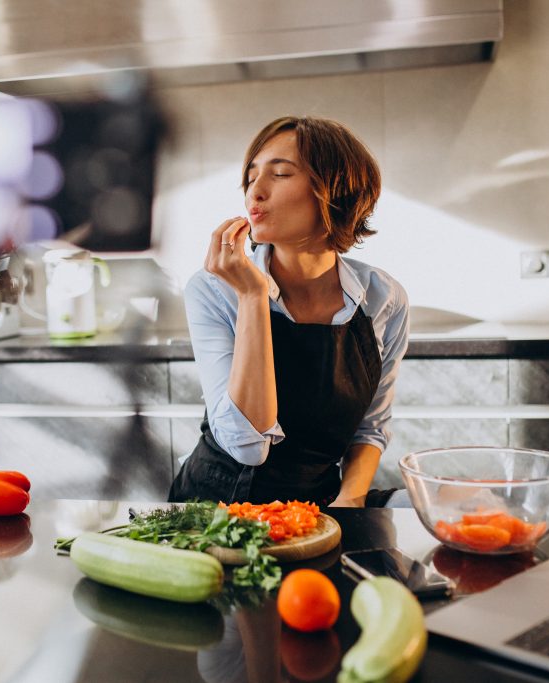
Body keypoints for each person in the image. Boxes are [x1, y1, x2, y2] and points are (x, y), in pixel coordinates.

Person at [168, 116, 409, 507]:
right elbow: (248, 448)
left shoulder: (384, 298)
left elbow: (371, 428)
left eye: (279, 174)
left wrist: (350, 501)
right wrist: (251, 296)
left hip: (319, 507)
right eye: (250, 177)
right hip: (217, 512)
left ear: (335, 191)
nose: (254, 192)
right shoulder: (215, 289)